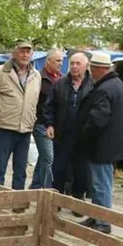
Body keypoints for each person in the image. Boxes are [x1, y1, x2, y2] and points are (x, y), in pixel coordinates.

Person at [74, 51, 123, 234]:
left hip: (102, 146)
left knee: (101, 185)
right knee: (101, 183)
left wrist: (83, 134)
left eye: (92, 69)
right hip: (110, 144)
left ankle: (103, 221)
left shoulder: (104, 88)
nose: (91, 72)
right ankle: (96, 215)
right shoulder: (117, 84)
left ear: (98, 69)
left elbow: (98, 120)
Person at [0, 40, 41, 190]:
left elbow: (35, 101)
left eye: (28, 52)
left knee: (21, 170)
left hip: (25, 129)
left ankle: (18, 200)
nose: (25, 55)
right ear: (14, 53)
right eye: (22, 51)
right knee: (0, 168)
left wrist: (31, 118)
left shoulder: (36, 76)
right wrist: (0, 114)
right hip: (4, 128)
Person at [46, 52, 93, 201]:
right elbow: (49, 106)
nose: (74, 66)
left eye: (78, 64)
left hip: (83, 136)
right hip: (62, 134)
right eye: (72, 63)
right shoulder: (60, 83)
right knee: (59, 169)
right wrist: (49, 124)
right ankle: (57, 200)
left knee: (81, 171)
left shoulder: (93, 85)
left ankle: (78, 200)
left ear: (86, 66)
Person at [30, 48, 63, 189]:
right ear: (48, 61)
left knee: (43, 158)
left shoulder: (61, 79)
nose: (60, 63)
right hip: (40, 124)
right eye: (57, 61)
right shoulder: (38, 78)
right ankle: (48, 190)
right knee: (49, 158)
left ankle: (35, 187)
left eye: (62, 60)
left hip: (54, 125)